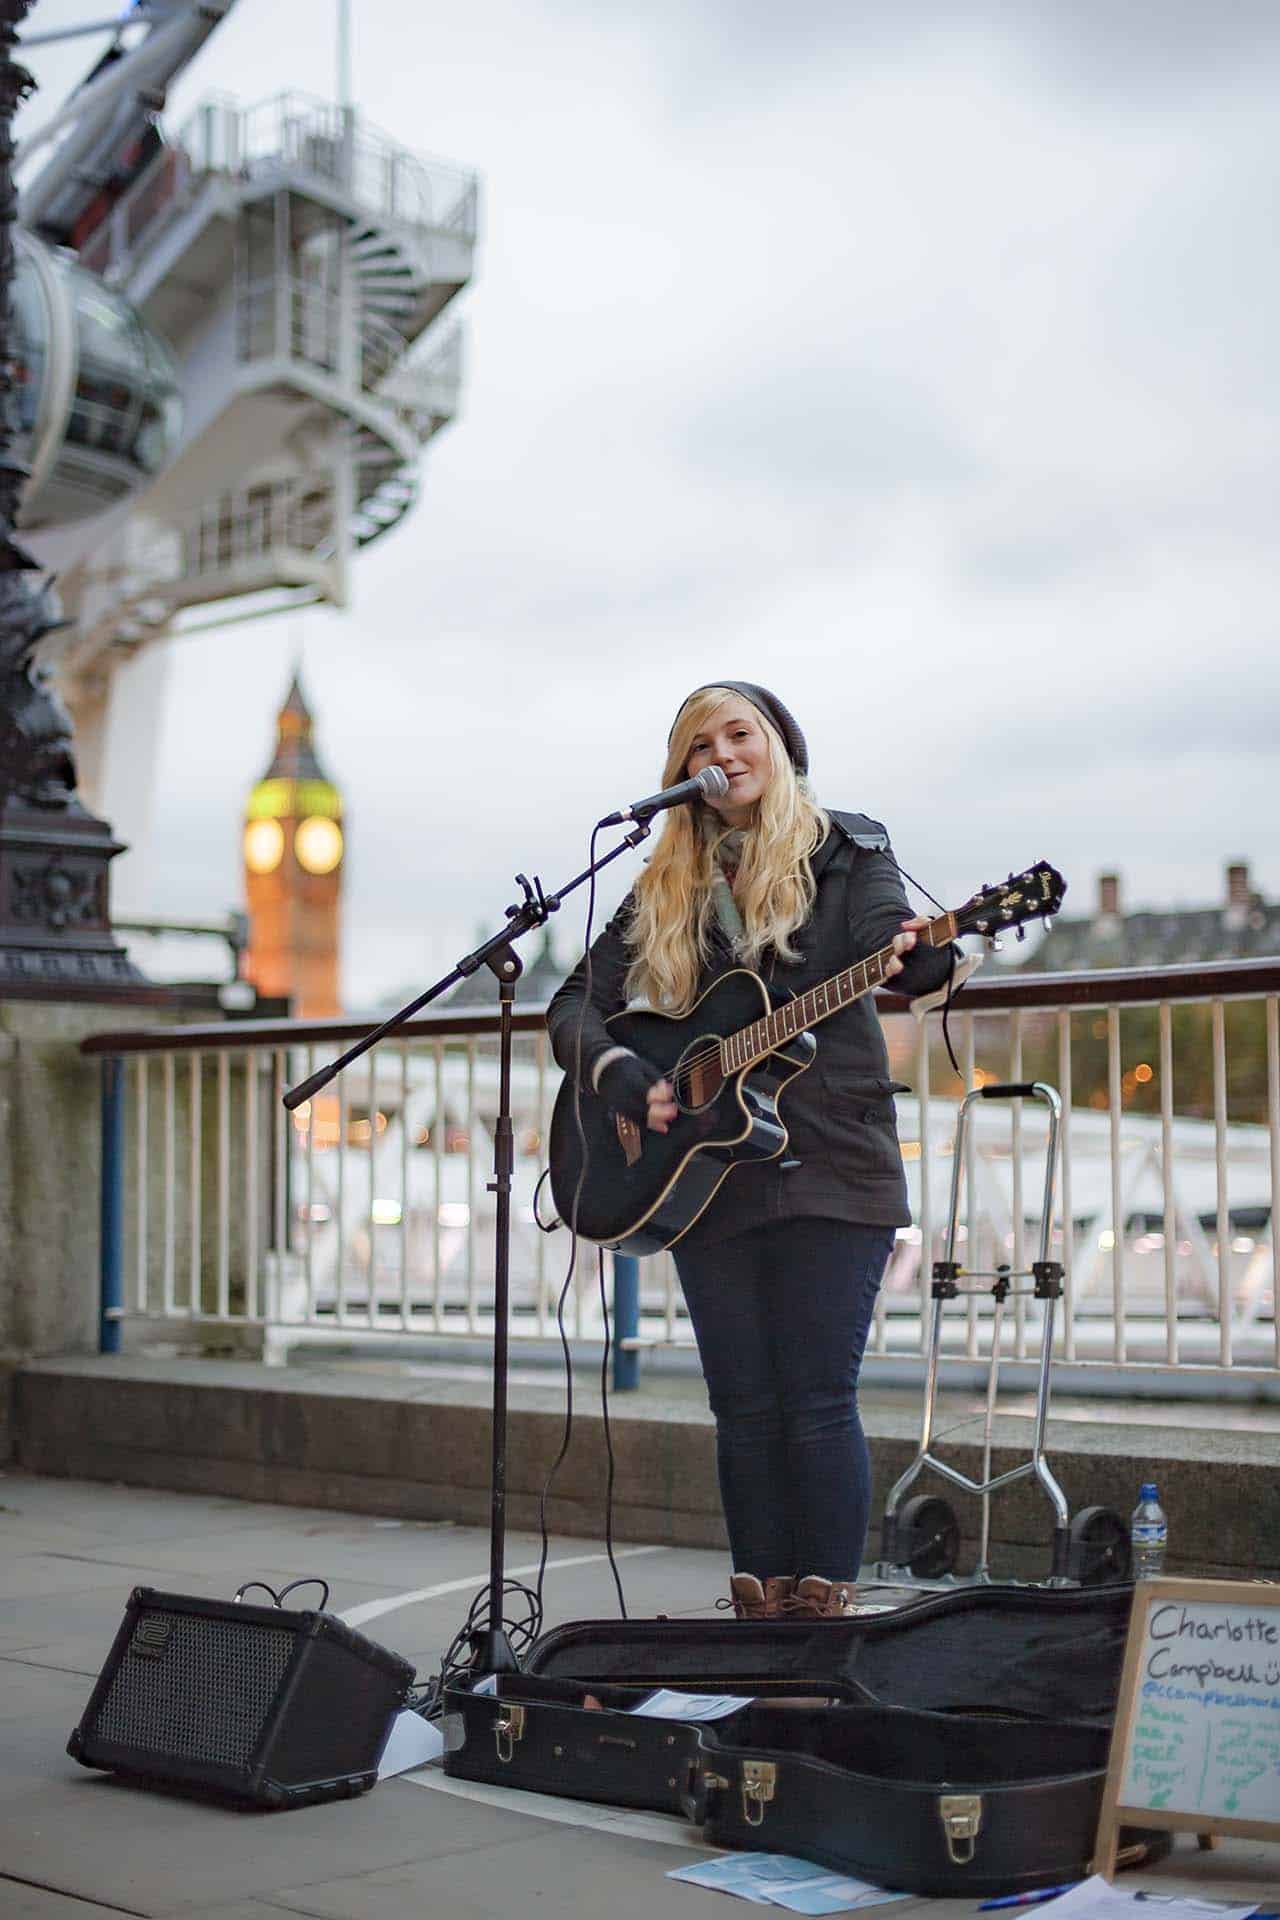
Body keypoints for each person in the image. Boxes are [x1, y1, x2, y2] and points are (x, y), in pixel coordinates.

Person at [546, 682, 964, 1619]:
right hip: (708, 1171)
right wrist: (620, 1074)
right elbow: (573, 1004)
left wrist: (927, 953)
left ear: (778, 749)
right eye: (700, 745)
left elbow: (894, 952)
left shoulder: (849, 849)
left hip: (832, 1156)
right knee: (740, 1405)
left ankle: (822, 1622)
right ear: (680, 772)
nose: (721, 755)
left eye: (739, 735)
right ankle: (759, 1619)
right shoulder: (663, 889)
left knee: (815, 1398)